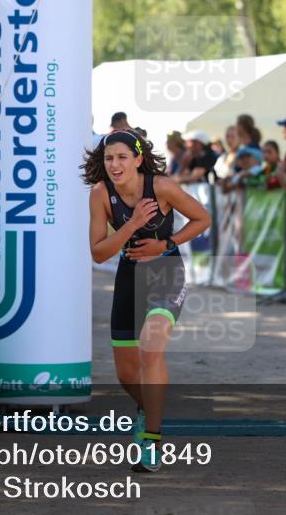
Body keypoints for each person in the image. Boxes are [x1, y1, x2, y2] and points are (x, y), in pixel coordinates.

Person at [83, 130, 210, 472]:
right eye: (109, 158)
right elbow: (98, 253)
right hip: (129, 277)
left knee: (150, 349)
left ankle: (151, 441)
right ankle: (148, 410)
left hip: (166, 273)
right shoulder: (100, 195)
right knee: (126, 374)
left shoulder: (161, 187)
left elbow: (203, 218)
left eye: (122, 157)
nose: (115, 164)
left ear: (138, 160)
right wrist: (133, 224)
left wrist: (166, 243)